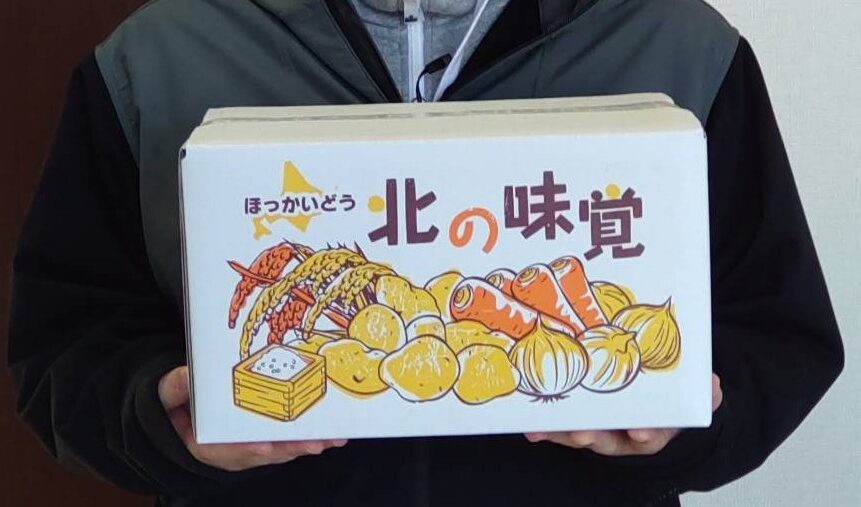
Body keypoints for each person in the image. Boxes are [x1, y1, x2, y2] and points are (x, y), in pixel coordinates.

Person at [7, 1, 844, 506]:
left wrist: (682, 427)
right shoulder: (158, 56)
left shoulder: (680, 46)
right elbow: (62, 344)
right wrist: (156, 417)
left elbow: (779, 334)